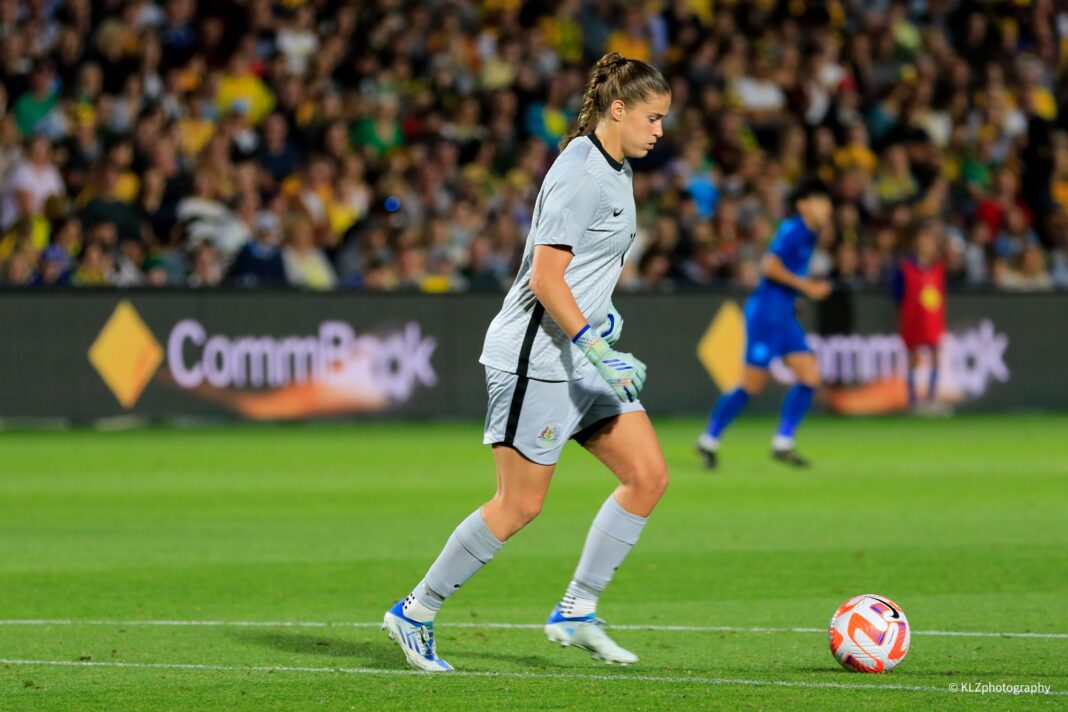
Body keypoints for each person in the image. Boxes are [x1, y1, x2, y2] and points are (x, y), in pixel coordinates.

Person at [382, 52, 671, 672]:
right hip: (535, 358)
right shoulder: (579, 173)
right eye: (652, 117)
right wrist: (597, 345)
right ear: (617, 110)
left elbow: (585, 273)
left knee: (647, 476)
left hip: (582, 356)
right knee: (519, 505)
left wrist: (605, 322)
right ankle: (416, 611)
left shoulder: (617, 169)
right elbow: (544, 278)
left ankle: (576, 609)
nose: (659, 131)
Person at [697, 180, 833, 469]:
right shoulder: (794, 230)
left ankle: (783, 442)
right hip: (766, 314)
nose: (827, 207)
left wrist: (795, 294)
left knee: (809, 377)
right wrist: (805, 286)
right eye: (820, 200)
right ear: (803, 205)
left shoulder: (811, 232)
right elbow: (768, 266)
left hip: (783, 315)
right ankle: (709, 439)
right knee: (751, 384)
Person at [893, 220, 947, 409]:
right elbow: (898, 294)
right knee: (913, 358)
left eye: (931, 241)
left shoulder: (939, 268)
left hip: (933, 320)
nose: (927, 244)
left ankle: (931, 398)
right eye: (924, 240)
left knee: (936, 358)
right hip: (913, 319)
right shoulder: (906, 268)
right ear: (916, 242)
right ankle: (913, 399)